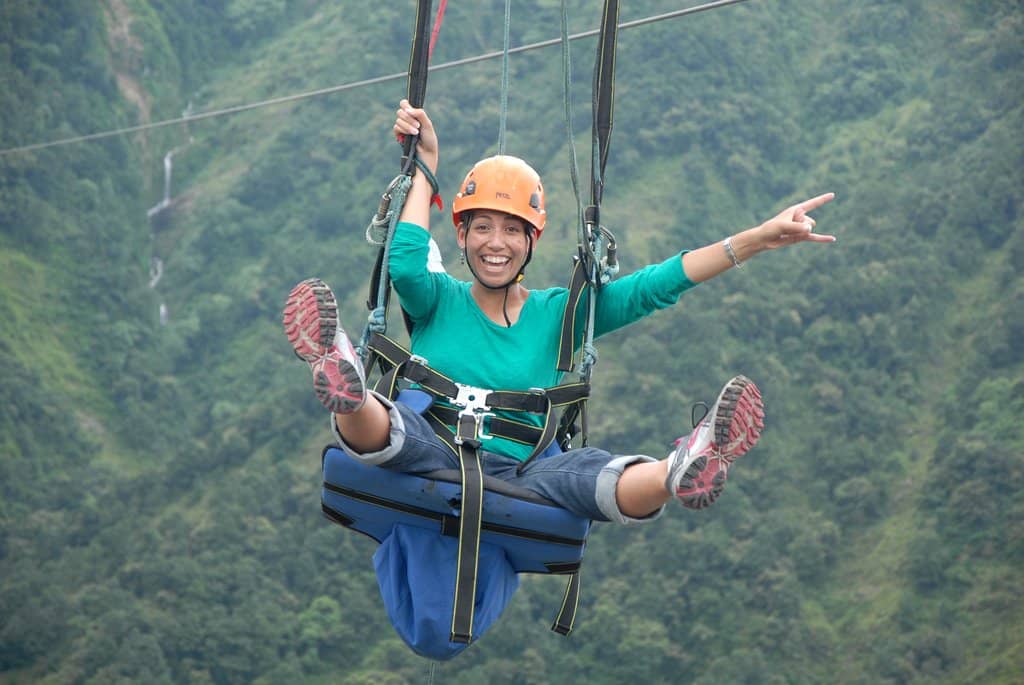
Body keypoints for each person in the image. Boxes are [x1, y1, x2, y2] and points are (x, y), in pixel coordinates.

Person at [283, 99, 835, 522]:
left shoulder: (561, 317)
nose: (495, 243)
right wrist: (426, 160)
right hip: (432, 448)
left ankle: (681, 467)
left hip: (525, 470)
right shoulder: (437, 299)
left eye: (510, 230)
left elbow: (655, 285)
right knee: (395, 428)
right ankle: (343, 376)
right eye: (481, 227)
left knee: (590, 475)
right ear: (462, 234)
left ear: (532, 241)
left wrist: (758, 239)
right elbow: (403, 263)